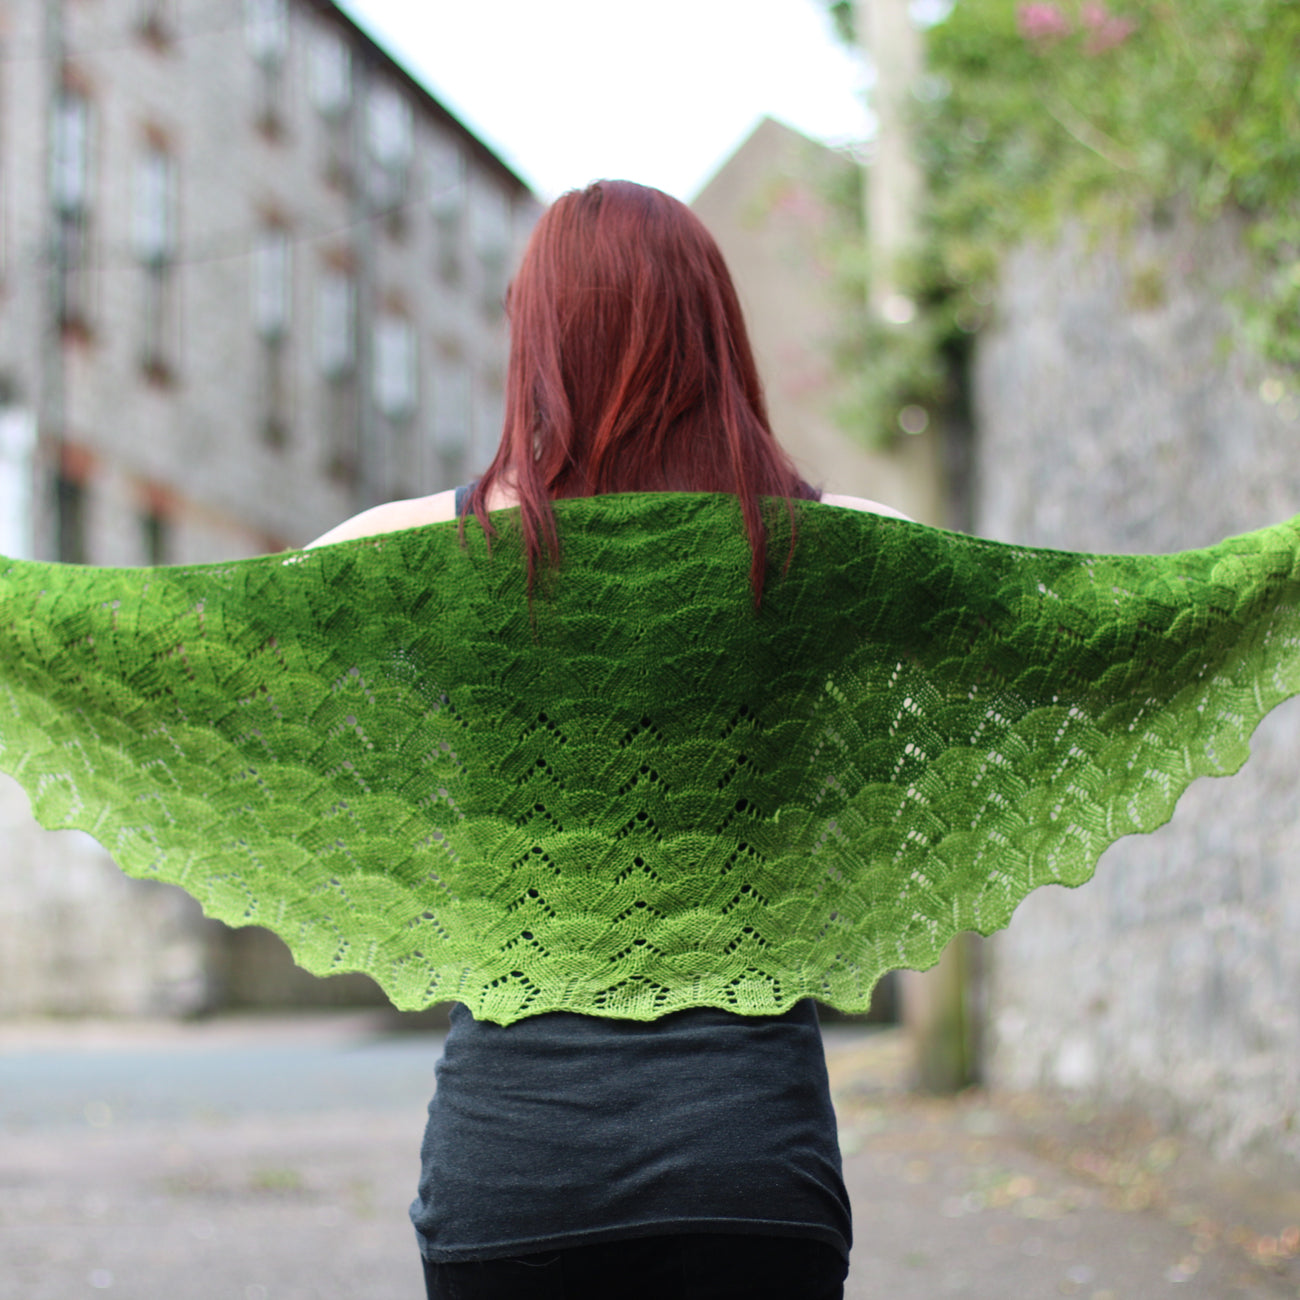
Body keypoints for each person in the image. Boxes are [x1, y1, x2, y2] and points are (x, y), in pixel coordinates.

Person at [307, 180, 887, 1299]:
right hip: (751, 1164)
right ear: (713, 333)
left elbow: (173, 638)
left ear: (538, 342)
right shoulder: (833, 551)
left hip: (516, 1168)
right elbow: (1086, 625)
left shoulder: (414, 552)